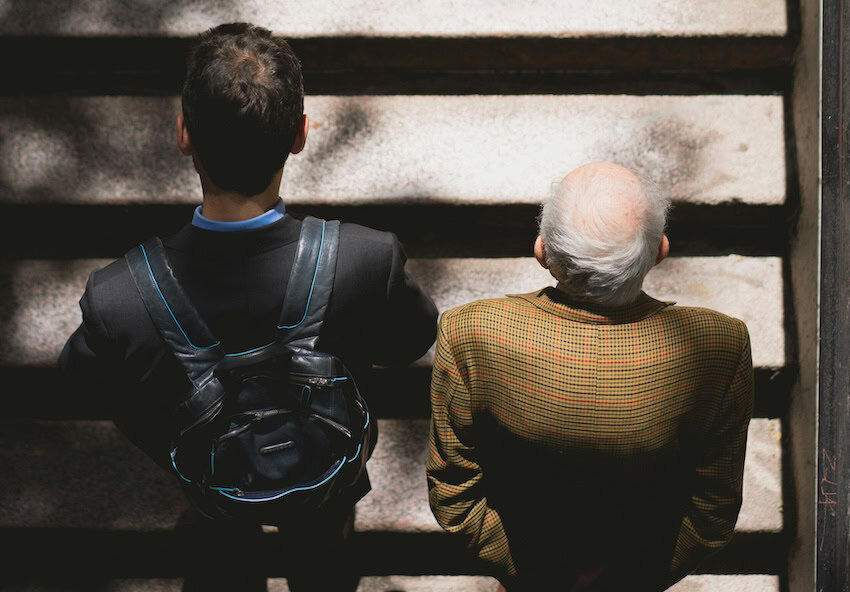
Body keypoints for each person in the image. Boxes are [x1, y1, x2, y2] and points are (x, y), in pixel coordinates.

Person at [60, 22, 438, 591]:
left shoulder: (119, 296)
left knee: (220, 556)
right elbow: (413, 338)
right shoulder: (366, 259)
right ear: (301, 134)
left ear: (184, 134)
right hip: (327, 468)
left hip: (211, 480)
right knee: (323, 551)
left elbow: (81, 381)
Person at [426, 161, 754, 591]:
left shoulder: (470, 333)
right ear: (661, 250)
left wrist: (532, 574)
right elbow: (713, 510)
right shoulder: (721, 345)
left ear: (541, 251)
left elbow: (453, 492)